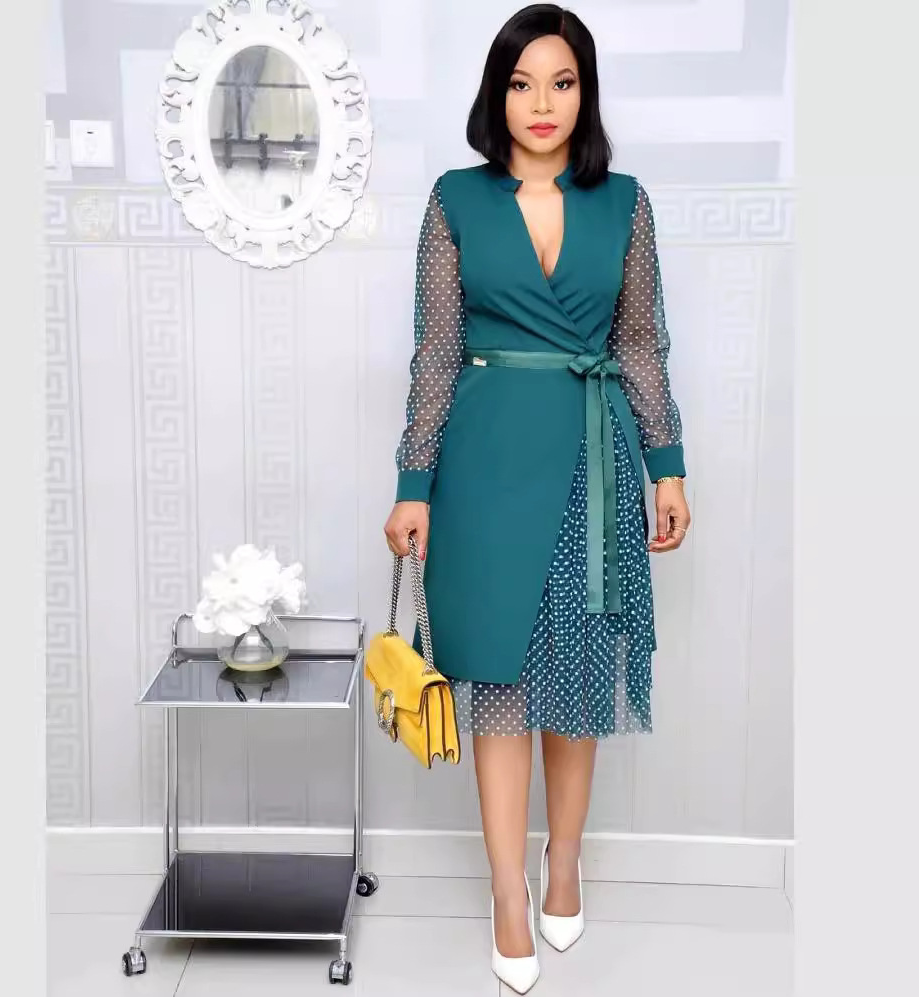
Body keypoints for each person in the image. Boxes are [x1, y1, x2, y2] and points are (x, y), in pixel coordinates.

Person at [383, 5, 691, 992]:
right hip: (482, 466)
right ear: (497, 94)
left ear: (584, 93)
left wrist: (667, 464)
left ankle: (564, 858)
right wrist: (414, 483)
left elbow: (637, 342)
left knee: (576, 674)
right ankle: (506, 891)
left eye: (561, 82)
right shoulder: (454, 198)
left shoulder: (624, 203)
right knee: (503, 683)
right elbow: (436, 351)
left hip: (592, 461)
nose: (541, 103)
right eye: (521, 84)